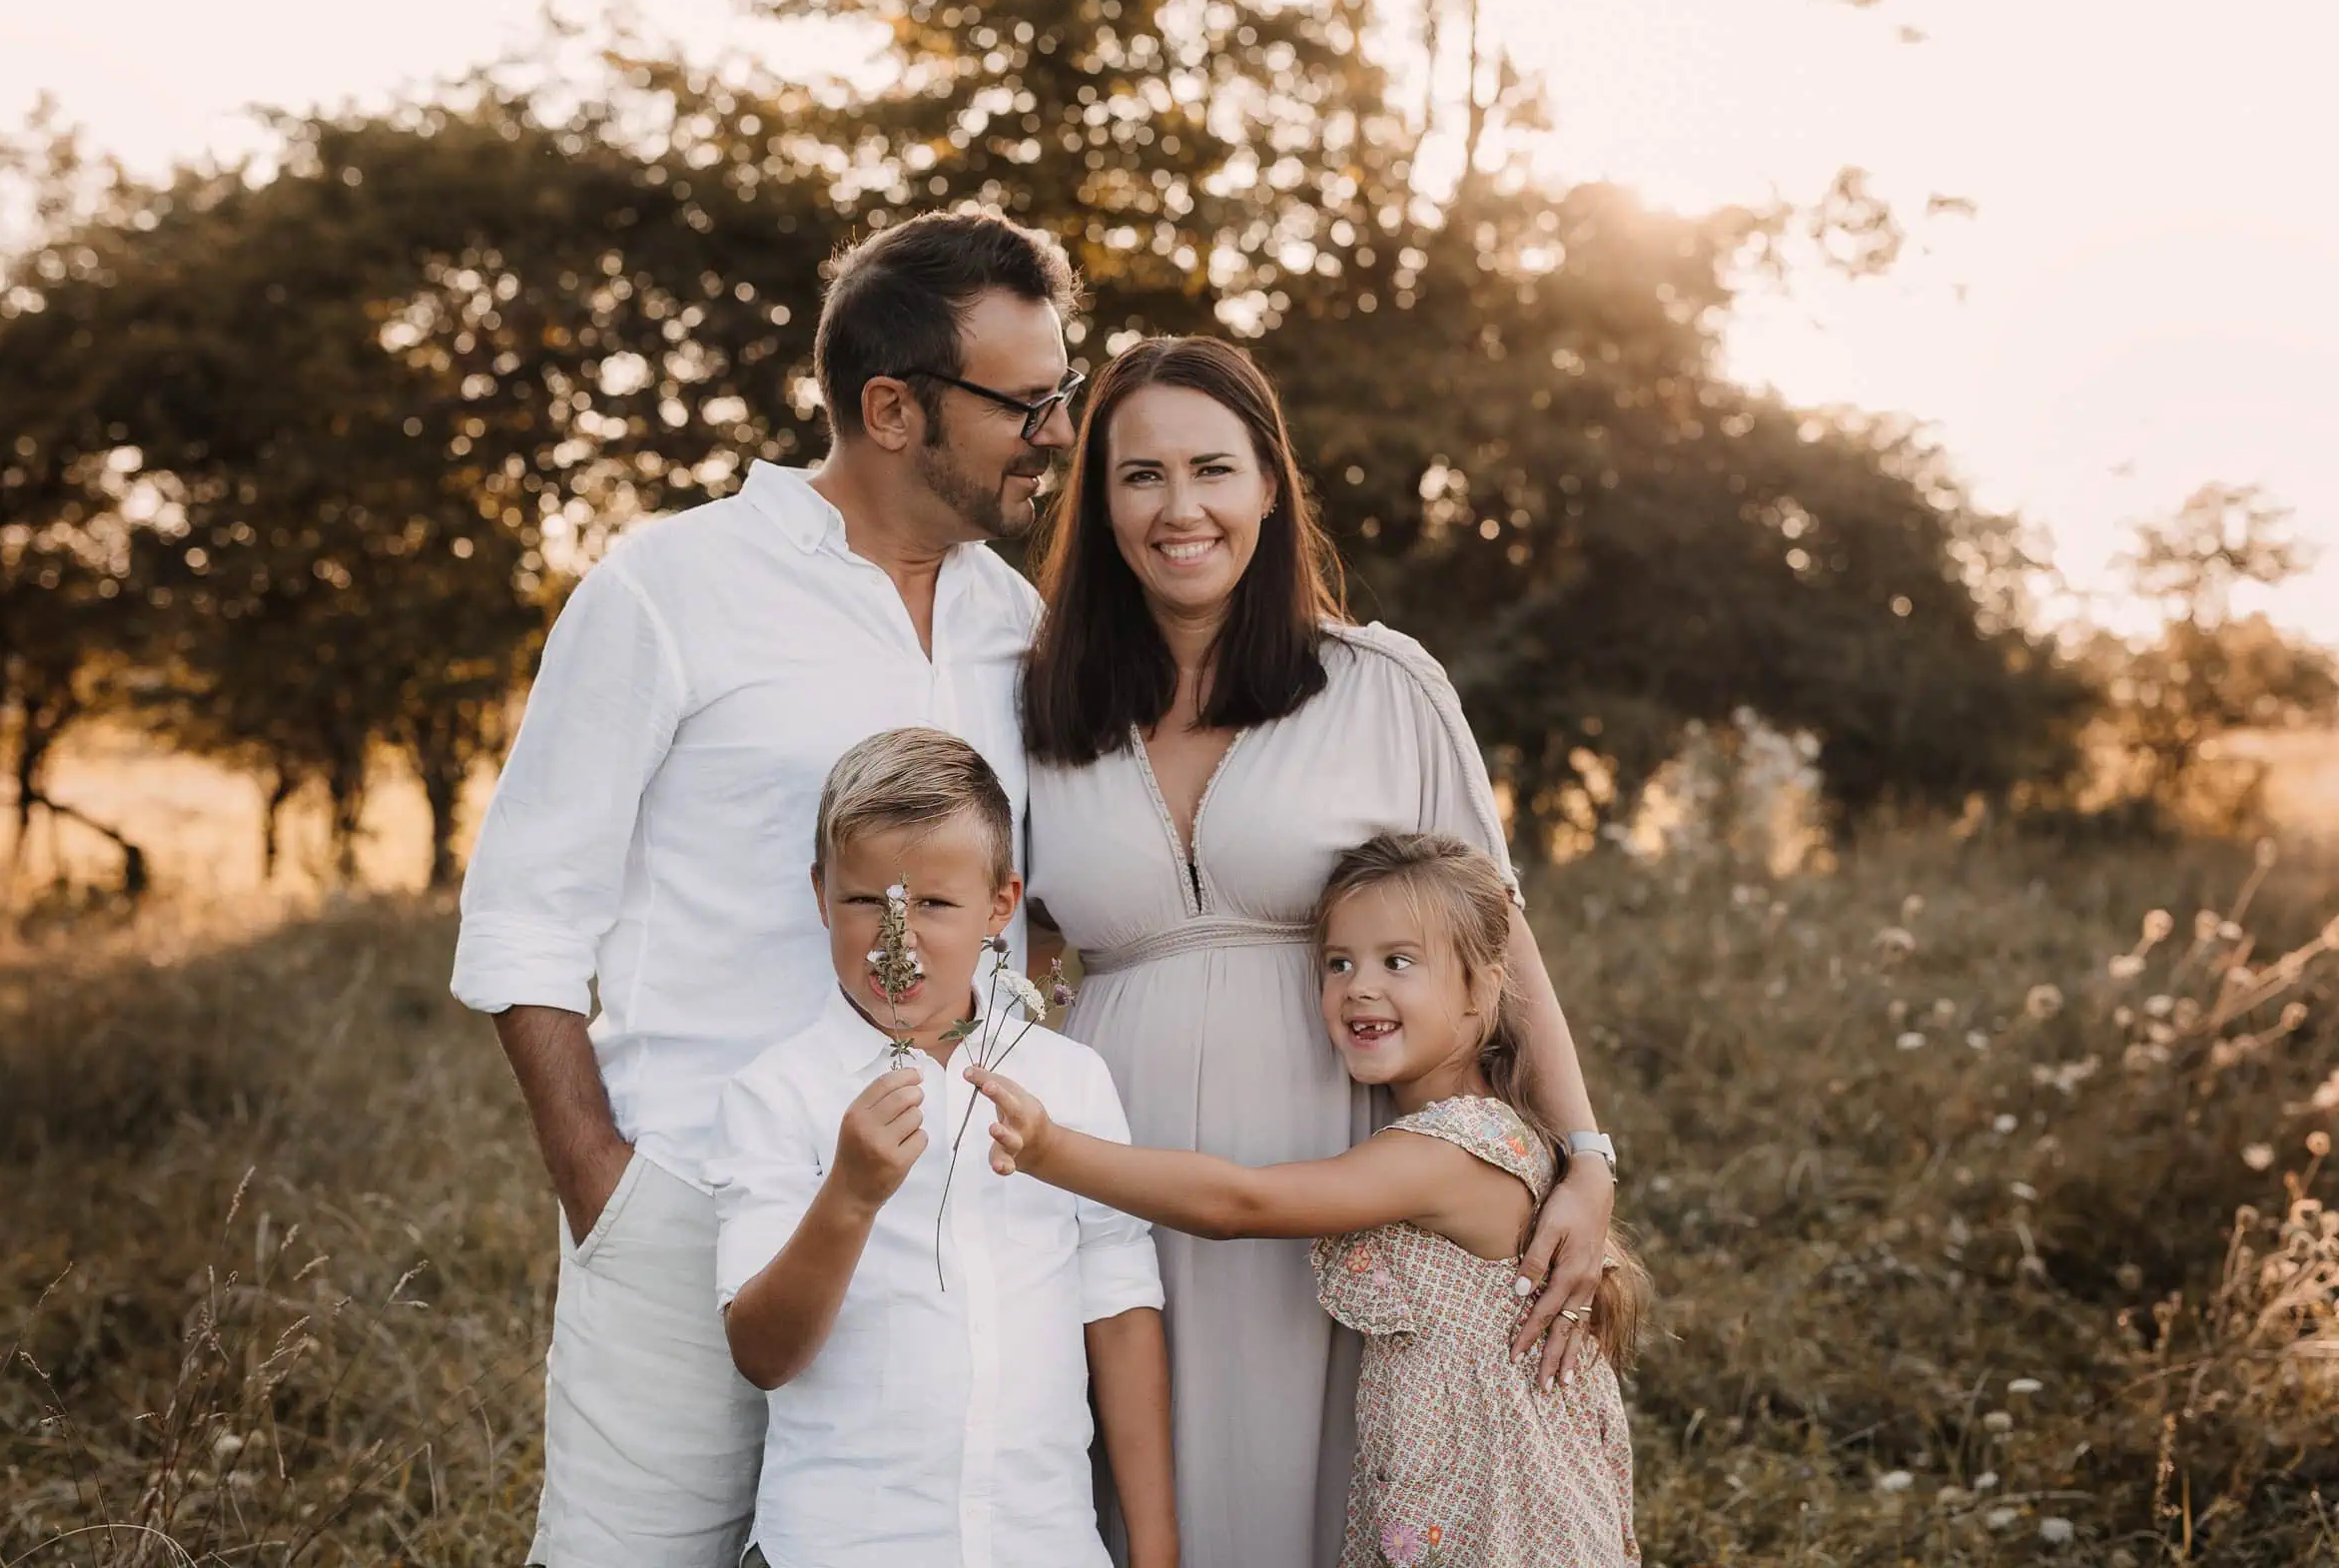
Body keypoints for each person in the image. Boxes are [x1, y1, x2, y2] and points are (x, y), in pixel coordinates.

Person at [448, 210, 1084, 1566]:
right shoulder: (670, 588)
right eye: (1027, 403)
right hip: (685, 1199)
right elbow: (523, 911)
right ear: (894, 408)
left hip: (945, 1218)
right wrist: (602, 1186)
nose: (1058, 433)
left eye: (1064, 395)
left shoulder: (1015, 627)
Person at [1019, 336, 1623, 1566]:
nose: (1180, 509)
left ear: (1269, 488)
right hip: (1107, 1160)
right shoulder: (1040, 705)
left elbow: (1497, 935)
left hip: (1331, 1170)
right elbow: (995, 933)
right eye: (1140, 477)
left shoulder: (1380, 684)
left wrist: (1588, 1159)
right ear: (1101, 501)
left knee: (1329, 1496)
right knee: (1124, 1495)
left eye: (1212, 470)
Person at [972, 831, 1647, 1568]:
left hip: (1499, 1523)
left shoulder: (1452, 1151)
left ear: (1482, 989)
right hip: (1466, 1505)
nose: (1359, 985)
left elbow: (1242, 1206)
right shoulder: (1484, 1132)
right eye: (1338, 963)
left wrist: (1052, 1150)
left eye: (1398, 962)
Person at [712, 728, 1175, 1568]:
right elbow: (762, 1354)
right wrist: (849, 1197)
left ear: (1001, 906)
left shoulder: (1070, 1080)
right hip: (838, 1546)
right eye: (865, 904)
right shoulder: (777, 1094)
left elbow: (1117, 1304)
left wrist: (1155, 1545)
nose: (899, 937)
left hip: (1042, 1543)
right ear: (821, 896)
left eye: (933, 903)